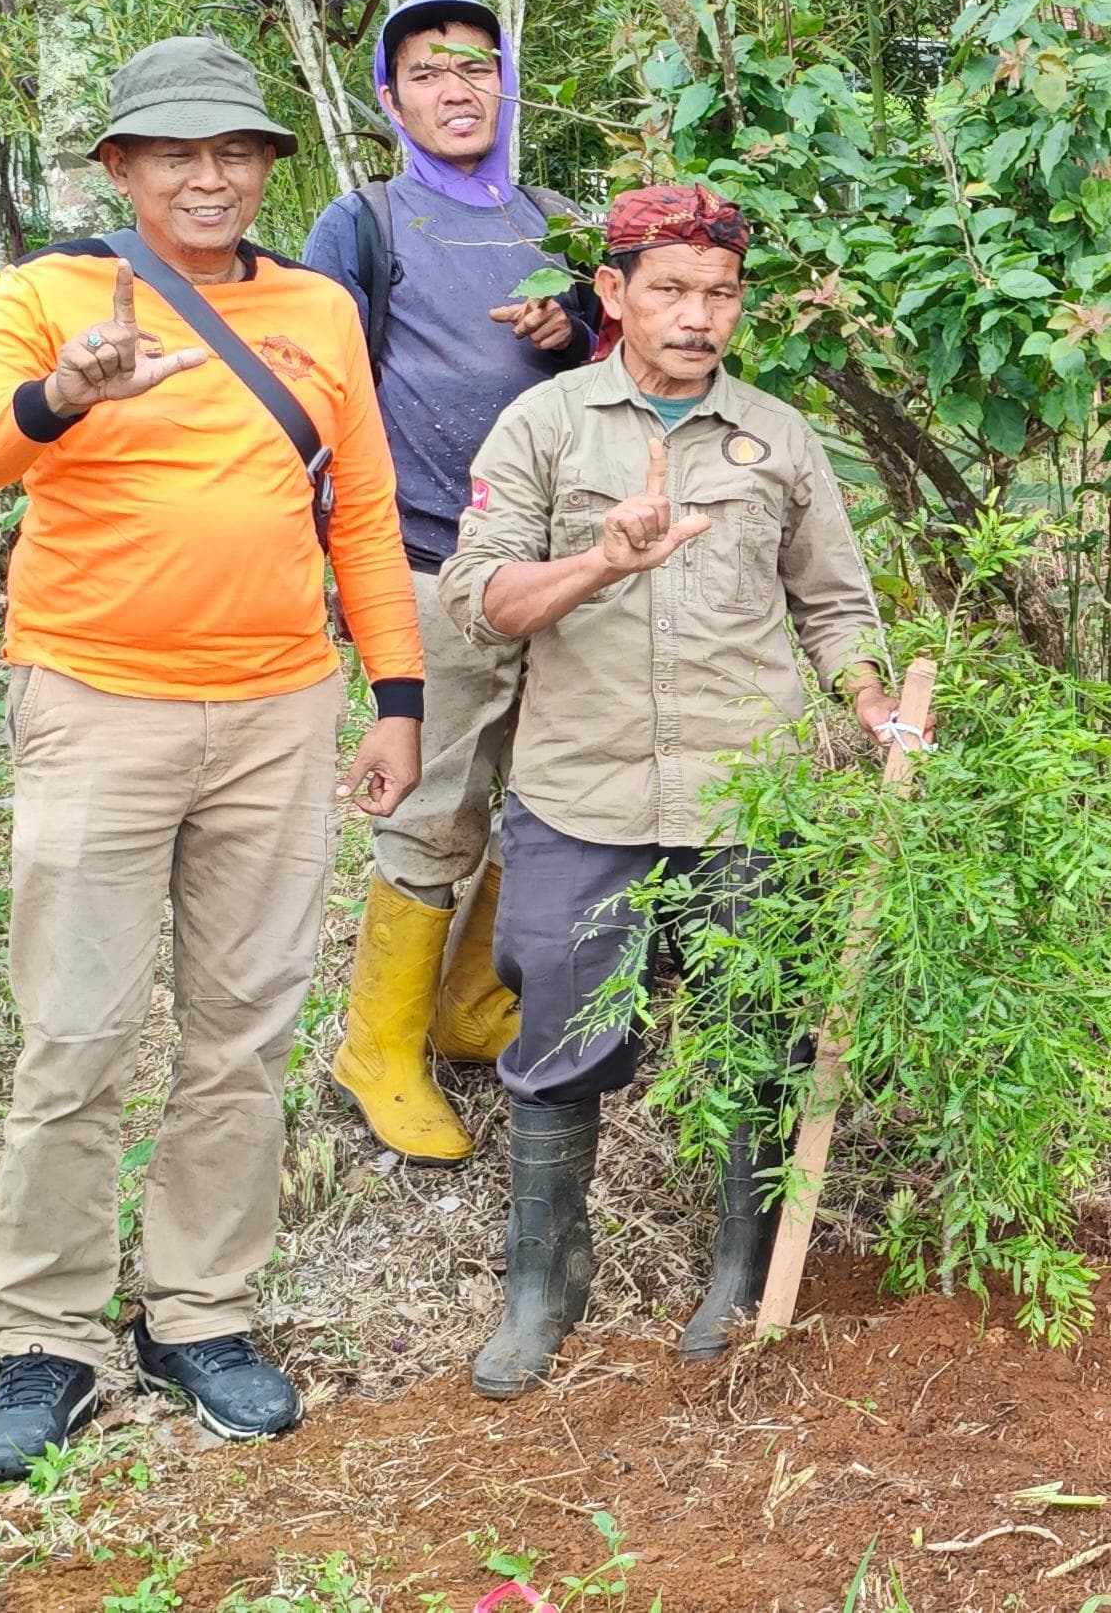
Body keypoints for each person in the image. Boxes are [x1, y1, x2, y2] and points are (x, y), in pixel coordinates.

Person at [0, 37, 426, 1477]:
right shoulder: (48, 296)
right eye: (175, 153)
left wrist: (396, 697)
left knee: (244, 1031)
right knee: (75, 1035)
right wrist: (62, 395)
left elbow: (364, 516)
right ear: (121, 169)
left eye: (236, 152)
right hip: (97, 706)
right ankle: (48, 1336)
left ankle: (200, 1310)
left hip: (277, 710)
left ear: (266, 168)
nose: (210, 175)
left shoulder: (318, 307)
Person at [440, 185, 904, 1397]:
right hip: (577, 795)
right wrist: (603, 555)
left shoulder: (778, 438)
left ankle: (739, 1268)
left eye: (719, 294)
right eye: (670, 290)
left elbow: (835, 603)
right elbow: (478, 602)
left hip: (749, 795)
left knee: (758, 1036)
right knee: (556, 1039)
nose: (697, 316)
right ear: (614, 295)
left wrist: (865, 700)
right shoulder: (545, 428)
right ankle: (546, 1283)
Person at [301, 0, 597, 1166]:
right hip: (429, 556)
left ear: (507, 81)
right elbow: (319, 393)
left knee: (539, 799)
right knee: (436, 807)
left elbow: (622, 357)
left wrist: (573, 327)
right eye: (429, 71)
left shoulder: (561, 217)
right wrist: (333, 558)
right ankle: (376, 1044)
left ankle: (472, 1008)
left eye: (479, 64)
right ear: (390, 99)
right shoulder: (363, 223)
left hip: (568, 568)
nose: (458, 86)